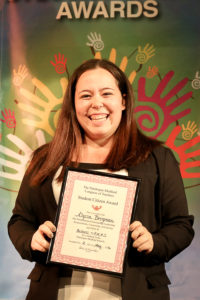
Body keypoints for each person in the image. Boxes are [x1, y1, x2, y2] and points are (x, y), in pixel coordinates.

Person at [8, 59, 194, 300]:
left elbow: (181, 226)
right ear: (73, 104)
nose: (96, 103)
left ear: (123, 101)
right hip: (56, 291)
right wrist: (32, 240)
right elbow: (19, 220)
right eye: (85, 95)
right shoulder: (46, 159)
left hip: (135, 291)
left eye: (107, 93)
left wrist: (154, 242)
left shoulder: (158, 158)